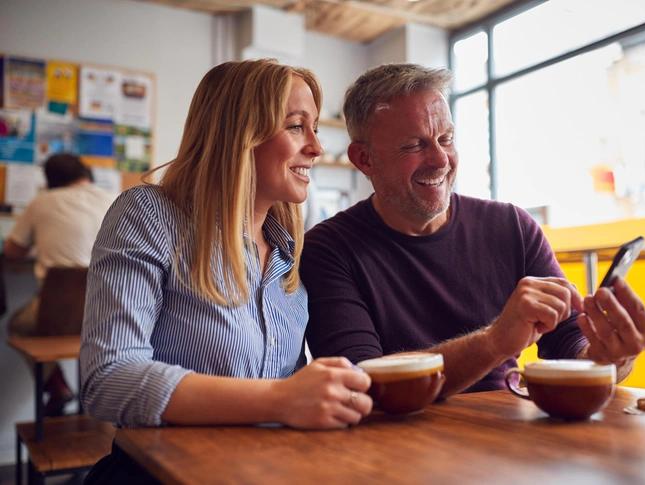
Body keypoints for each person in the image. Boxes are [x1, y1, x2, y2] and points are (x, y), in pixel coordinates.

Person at [80, 59, 372, 483]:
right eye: (296, 126)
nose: (316, 147)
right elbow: (108, 378)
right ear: (239, 133)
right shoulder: (150, 214)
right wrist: (282, 399)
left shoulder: (289, 255)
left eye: (315, 130)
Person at [300, 63, 645, 398]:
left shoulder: (512, 227)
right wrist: (495, 341)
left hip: (503, 435)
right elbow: (364, 383)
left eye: (446, 138)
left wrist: (611, 357)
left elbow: (571, 344)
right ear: (363, 159)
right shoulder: (328, 249)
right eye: (414, 145)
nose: (440, 160)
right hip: (395, 448)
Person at [4, 153, 116, 416]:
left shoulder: (41, 202)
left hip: (57, 316)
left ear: (50, 181)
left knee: (18, 326)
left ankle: (57, 385)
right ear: (86, 175)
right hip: (107, 313)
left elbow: (12, 252)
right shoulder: (113, 199)